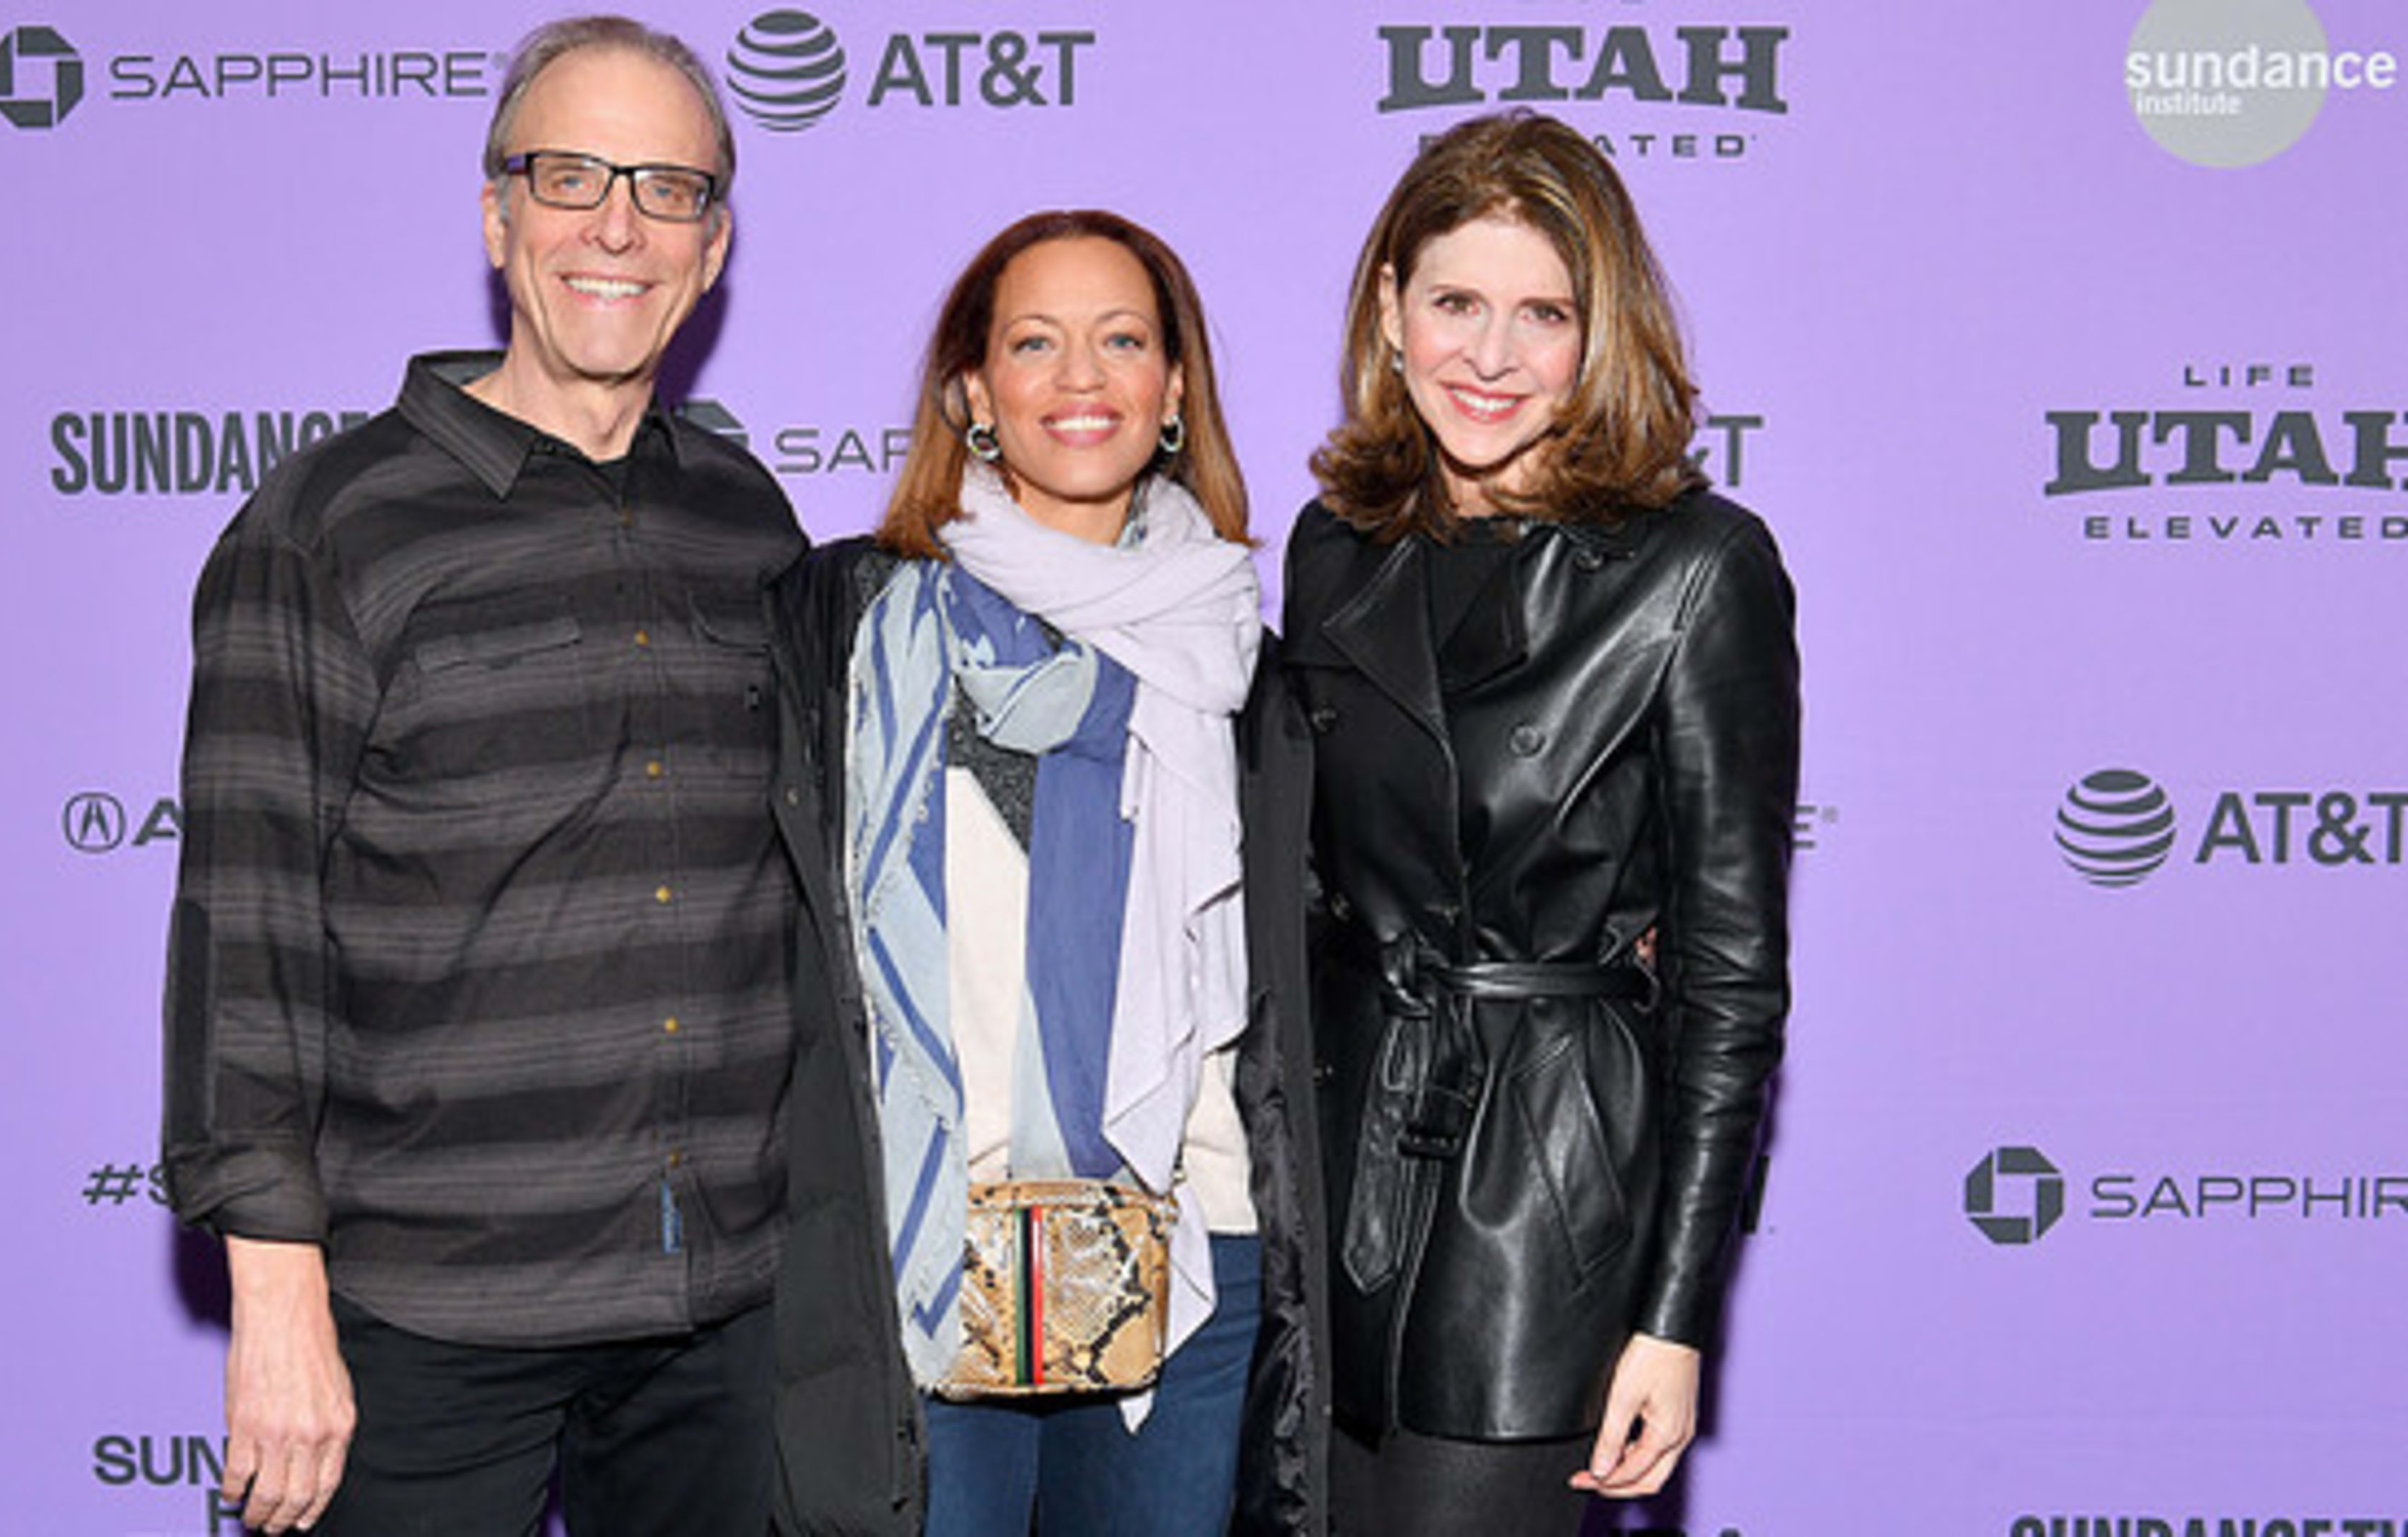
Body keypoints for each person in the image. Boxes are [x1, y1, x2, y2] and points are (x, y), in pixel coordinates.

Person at [159, 16, 802, 1534]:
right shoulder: (329, 525)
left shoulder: (746, 516)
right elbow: (246, 937)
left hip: (724, 1309)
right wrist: (276, 1307)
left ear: (713, 249)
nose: (618, 226)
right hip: (430, 1317)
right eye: (571, 174)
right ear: (497, 213)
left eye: (669, 189)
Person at [763, 209, 1328, 1536]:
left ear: (1175, 388)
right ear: (972, 388)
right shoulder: (848, 627)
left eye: (1123, 340)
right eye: (1035, 342)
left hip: (1183, 1253)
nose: (1082, 379)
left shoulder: (1243, 667)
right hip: (920, 1249)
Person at [1282, 110, 1799, 1536]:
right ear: (1390, 309)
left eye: (1541, 313)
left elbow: (1731, 981)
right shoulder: (1335, 550)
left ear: (1599, 332)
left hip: (1543, 1189)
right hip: (1337, 1172)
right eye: (1454, 302)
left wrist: (1675, 1319)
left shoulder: (1699, 570)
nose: (1491, 356)